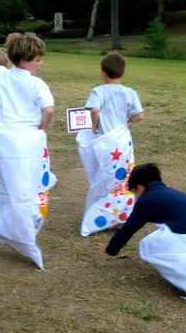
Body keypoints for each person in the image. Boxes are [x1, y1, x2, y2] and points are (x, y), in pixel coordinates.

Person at [104, 162, 186, 304]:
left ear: (140, 187)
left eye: (134, 193)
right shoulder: (170, 193)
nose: (136, 198)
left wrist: (111, 249)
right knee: (162, 241)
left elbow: (128, 229)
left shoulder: (147, 199)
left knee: (149, 245)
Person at [0, 33, 56, 269]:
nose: (41, 63)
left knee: (8, 186)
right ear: (26, 60)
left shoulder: (2, 78)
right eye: (38, 59)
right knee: (26, 189)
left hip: (3, 141)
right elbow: (48, 109)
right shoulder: (36, 83)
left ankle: (7, 226)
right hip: (27, 142)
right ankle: (21, 233)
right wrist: (43, 126)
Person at [76, 52, 144, 236]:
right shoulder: (129, 92)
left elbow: (94, 109)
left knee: (103, 175)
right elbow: (139, 115)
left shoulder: (99, 91)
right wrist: (126, 120)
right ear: (122, 72)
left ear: (103, 73)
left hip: (104, 142)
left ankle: (98, 211)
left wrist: (94, 124)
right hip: (121, 140)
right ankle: (120, 213)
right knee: (122, 177)